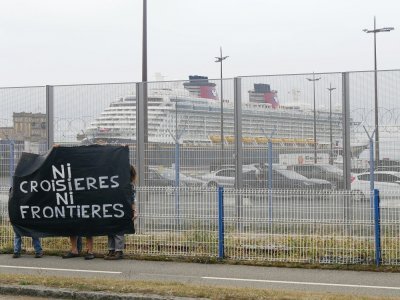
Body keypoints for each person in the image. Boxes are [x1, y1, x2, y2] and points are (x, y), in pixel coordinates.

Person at [104, 165, 137, 260]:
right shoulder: (115, 182)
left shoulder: (129, 186)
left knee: (118, 230)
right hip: (113, 208)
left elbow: (132, 199)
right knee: (111, 229)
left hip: (122, 210)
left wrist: (134, 211)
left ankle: (118, 251)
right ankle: (111, 250)